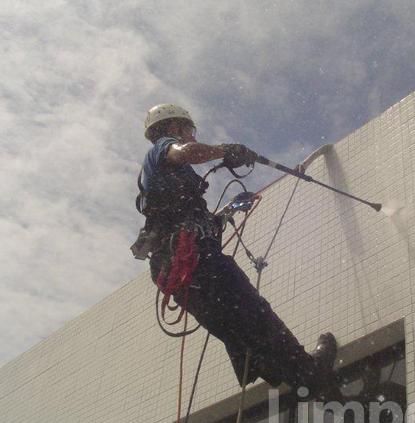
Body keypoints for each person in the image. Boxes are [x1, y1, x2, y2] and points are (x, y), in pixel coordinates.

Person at [134, 103, 343, 401]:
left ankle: (299, 381)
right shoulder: (162, 151)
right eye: (189, 130)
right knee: (255, 312)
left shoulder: (171, 185)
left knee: (241, 330)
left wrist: (226, 214)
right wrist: (225, 149)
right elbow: (183, 152)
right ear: (173, 128)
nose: (192, 136)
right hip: (197, 266)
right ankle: (308, 373)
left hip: (182, 276)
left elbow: (195, 225)